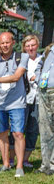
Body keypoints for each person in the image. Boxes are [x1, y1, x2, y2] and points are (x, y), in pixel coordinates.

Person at [0, 31, 29, 176]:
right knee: (2, 134)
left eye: (7, 42)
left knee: (18, 133)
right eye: (2, 43)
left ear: (13, 43)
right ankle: (5, 164)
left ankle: (19, 167)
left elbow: (16, 77)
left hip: (17, 102)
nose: (5, 45)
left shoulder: (22, 57)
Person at [21, 35, 42, 168]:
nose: (30, 48)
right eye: (28, 46)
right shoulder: (20, 60)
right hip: (22, 98)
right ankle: (14, 158)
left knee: (33, 129)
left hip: (38, 98)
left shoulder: (43, 59)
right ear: (24, 47)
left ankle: (26, 159)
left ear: (37, 45)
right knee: (18, 128)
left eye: (33, 45)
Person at [37, 42, 54, 175]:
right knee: (44, 129)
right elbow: (39, 65)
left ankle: (53, 165)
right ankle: (45, 164)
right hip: (43, 90)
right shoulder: (49, 50)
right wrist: (38, 78)